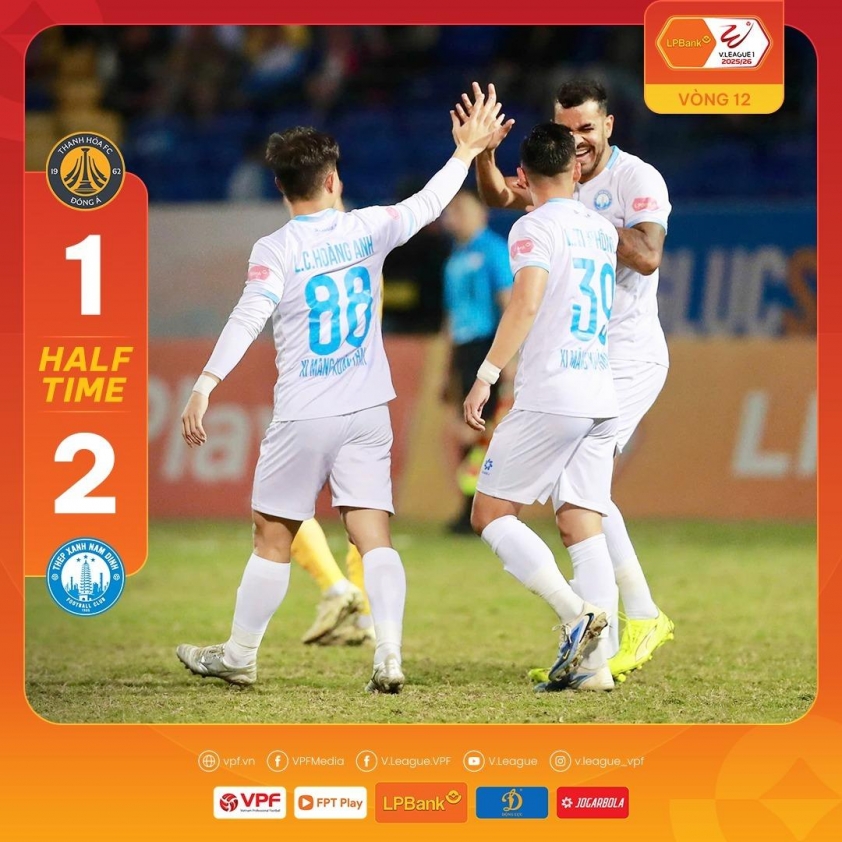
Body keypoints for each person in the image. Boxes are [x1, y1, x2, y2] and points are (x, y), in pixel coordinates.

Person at [176, 89, 506, 694]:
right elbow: (429, 203)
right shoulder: (368, 227)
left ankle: (241, 655)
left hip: (305, 412)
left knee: (272, 534)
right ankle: (389, 656)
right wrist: (464, 151)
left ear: (282, 188)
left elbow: (248, 317)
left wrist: (205, 384)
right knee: (372, 535)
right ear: (332, 180)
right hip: (368, 410)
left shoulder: (275, 249)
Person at [462, 79, 674, 682]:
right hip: (594, 370)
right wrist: (487, 157)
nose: (578, 139)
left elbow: (647, 256)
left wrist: (487, 375)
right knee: (580, 505)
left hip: (618, 358)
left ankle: (598, 616)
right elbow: (500, 193)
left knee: (508, 509)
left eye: (587, 128)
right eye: (568, 130)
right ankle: (599, 662)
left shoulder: (635, 180)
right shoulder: (575, 209)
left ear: (609, 126)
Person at [463, 122, 620, 691]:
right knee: (581, 524)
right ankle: (596, 669)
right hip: (600, 393)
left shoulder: (532, 228)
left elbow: (525, 303)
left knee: (489, 513)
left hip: (554, 391)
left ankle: (576, 616)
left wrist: (485, 376)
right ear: (576, 169)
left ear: (523, 177)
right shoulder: (601, 229)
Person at [440, 190, 513, 533]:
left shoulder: (493, 250)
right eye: (452, 211)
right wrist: (447, 369)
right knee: (467, 430)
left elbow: (508, 302)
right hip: (464, 349)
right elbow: (451, 316)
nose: (454, 217)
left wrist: (508, 357)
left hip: (487, 346)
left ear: (481, 214)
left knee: (487, 430)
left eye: (462, 210)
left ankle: (487, 507)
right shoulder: (455, 257)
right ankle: (469, 506)